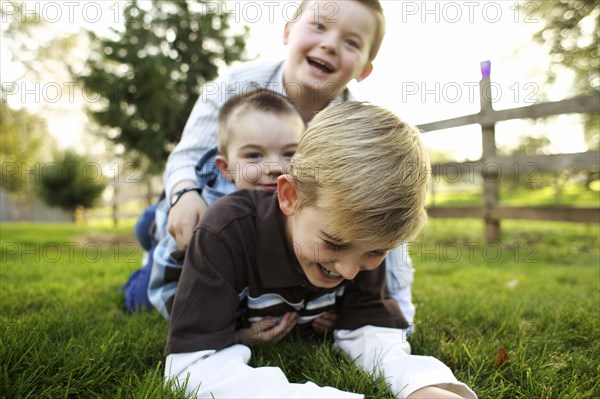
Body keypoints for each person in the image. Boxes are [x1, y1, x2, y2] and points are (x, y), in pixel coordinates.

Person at [126, 0, 417, 325]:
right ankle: (154, 229)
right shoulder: (238, 83)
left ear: (364, 69)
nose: (330, 44)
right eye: (319, 26)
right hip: (214, 200)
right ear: (288, 32)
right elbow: (189, 155)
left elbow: (384, 211)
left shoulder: (357, 128)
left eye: (351, 42)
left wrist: (399, 300)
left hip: (275, 223)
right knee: (149, 292)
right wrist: (182, 195)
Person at [165, 102, 477, 399]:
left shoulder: (363, 236)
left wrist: (418, 383)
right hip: (185, 280)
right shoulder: (224, 231)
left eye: (377, 252)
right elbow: (191, 366)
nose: (350, 271)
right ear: (289, 196)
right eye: (334, 244)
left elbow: (368, 326)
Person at [147, 88, 306, 318]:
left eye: (290, 153)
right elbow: (168, 284)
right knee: (138, 294)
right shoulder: (210, 220)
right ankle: (147, 229)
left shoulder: (303, 207)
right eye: (253, 155)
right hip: (169, 224)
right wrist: (230, 326)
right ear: (225, 168)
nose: (275, 167)